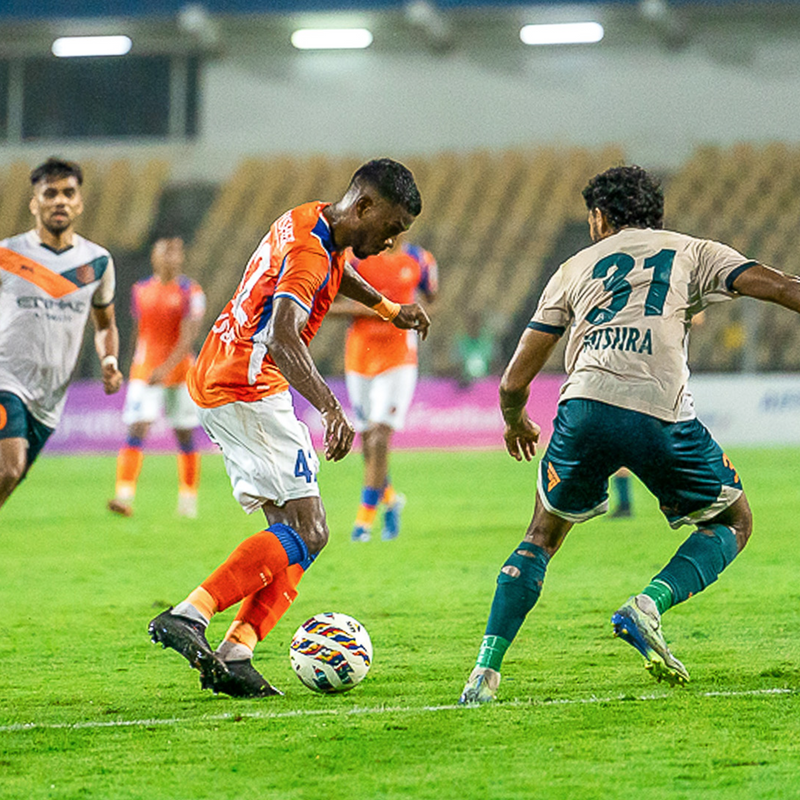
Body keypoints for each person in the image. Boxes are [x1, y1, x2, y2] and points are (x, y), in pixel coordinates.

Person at [459, 164, 800, 704]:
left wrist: (515, 418)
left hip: (584, 407)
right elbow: (780, 287)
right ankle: (648, 605)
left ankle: (484, 672)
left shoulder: (574, 267)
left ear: (599, 217)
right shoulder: (693, 250)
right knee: (733, 521)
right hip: (659, 412)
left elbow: (512, 381)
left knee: (541, 536)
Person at [148, 158, 430, 698]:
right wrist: (330, 408)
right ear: (364, 206)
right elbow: (282, 336)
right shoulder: (309, 253)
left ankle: (236, 653)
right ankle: (191, 613)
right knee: (311, 532)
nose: (391, 242)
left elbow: (338, 271)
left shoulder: (314, 220)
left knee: (293, 534)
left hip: (225, 372)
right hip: (248, 383)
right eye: (390, 228)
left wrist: (389, 309)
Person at [0, 157, 122, 512]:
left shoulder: (97, 262)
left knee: (8, 481)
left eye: (68, 193)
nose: (60, 201)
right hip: (7, 381)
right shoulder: (7, 254)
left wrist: (109, 360)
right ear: (34, 203)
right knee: (8, 468)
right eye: (50, 193)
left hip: (50, 400)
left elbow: (105, 324)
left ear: (79, 203)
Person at [336, 236, 438, 542]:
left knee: (380, 436)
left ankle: (363, 522)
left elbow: (431, 300)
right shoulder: (355, 258)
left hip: (398, 358)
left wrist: (413, 314)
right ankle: (391, 501)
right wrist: (384, 310)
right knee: (368, 441)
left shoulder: (420, 260)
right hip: (359, 358)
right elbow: (327, 303)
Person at [107, 236, 206, 518]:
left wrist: (166, 368)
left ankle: (188, 500)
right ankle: (123, 496)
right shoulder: (140, 290)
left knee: (184, 434)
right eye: (165, 253)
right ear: (154, 257)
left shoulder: (191, 291)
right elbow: (141, 332)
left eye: (175, 253)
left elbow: (189, 336)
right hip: (146, 371)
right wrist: (130, 364)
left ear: (181, 258)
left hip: (180, 372)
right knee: (137, 427)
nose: (170, 258)